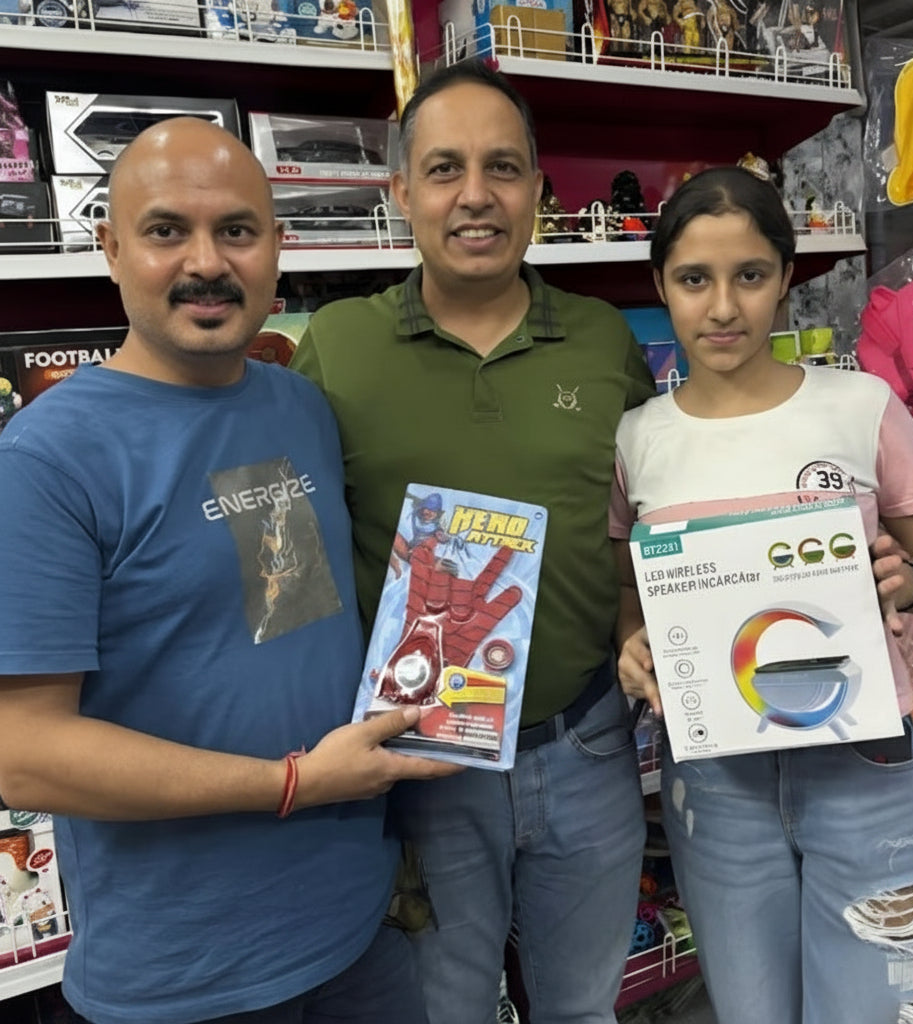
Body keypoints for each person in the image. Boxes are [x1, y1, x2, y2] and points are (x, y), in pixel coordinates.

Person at [0, 116, 458, 1024]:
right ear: (111, 249)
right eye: (167, 230)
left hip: (357, 927)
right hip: (189, 973)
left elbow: (282, 609)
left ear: (277, 246)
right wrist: (293, 783)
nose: (206, 262)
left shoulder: (300, 407)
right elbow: (24, 756)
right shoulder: (47, 458)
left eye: (237, 230)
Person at [290, 60, 655, 1023]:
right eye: (444, 169)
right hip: (422, 761)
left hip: (586, 741)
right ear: (401, 192)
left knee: (583, 1007)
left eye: (503, 167)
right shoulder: (338, 345)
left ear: (538, 188)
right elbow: (292, 554)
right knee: (444, 1011)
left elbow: (646, 521)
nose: (476, 195)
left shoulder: (602, 340)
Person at [611, 165, 913, 1024]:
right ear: (660, 285)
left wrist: (909, 580)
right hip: (717, 779)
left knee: (884, 1003)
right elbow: (630, 588)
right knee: (753, 1005)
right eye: (694, 279)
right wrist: (631, 643)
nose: (722, 307)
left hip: (864, 762)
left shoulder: (860, 406)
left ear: (785, 277)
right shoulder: (639, 437)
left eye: (749, 275)